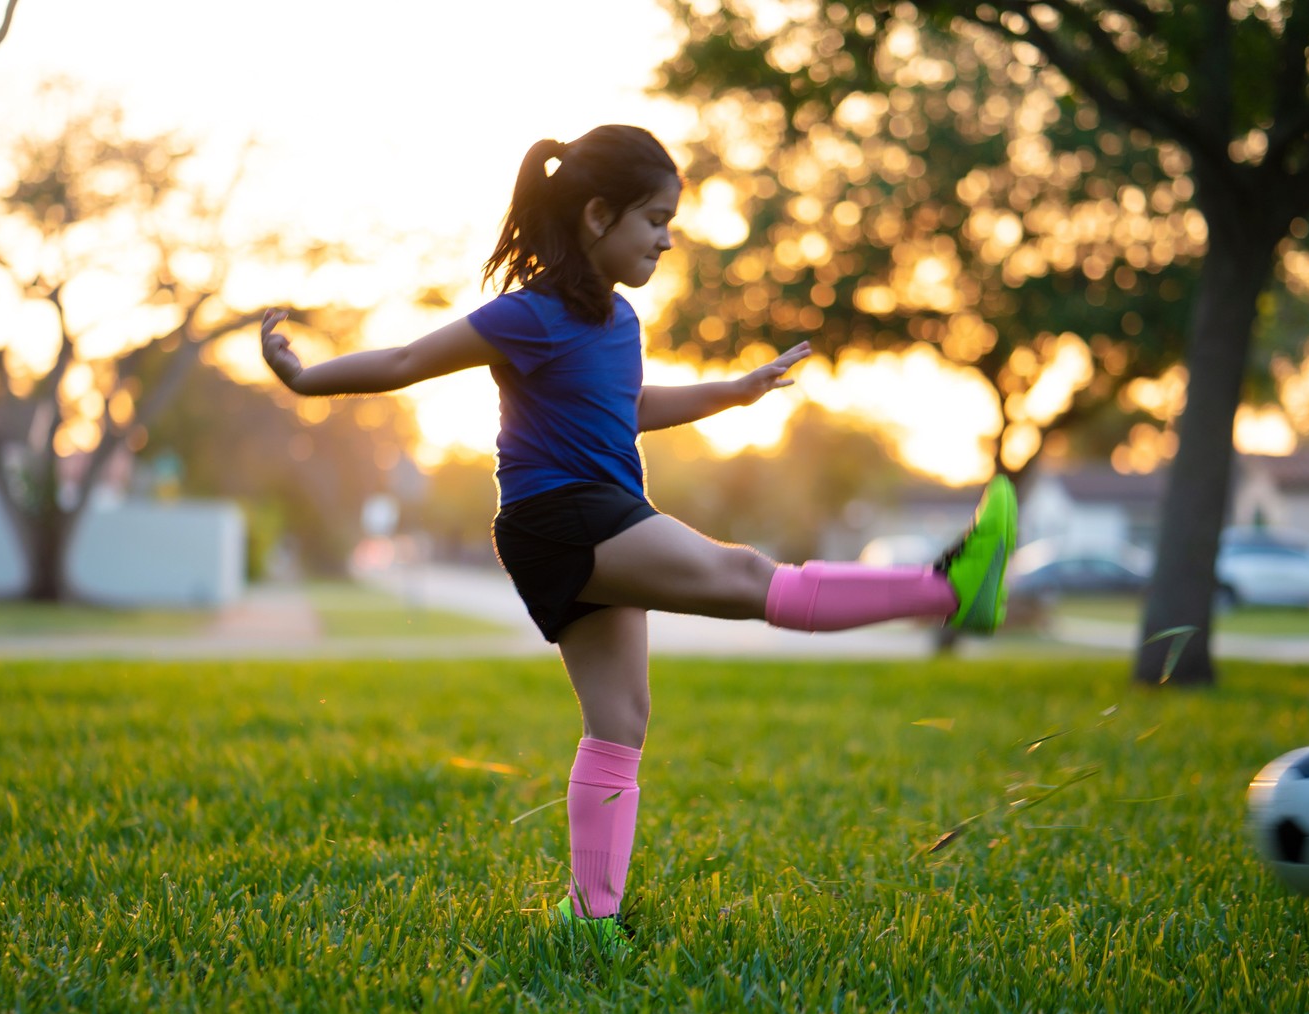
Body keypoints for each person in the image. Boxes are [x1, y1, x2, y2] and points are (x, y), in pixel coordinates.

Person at [261, 124, 1016, 952]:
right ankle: (949, 587)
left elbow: (629, 407)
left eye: (671, 222)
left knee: (620, 719)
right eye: (654, 219)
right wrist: (306, 379)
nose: (665, 238)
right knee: (744, 575)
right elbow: (407, 358)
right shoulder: (528, 315)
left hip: (586, 517)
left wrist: (731, 392)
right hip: (567, 515)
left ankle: (590, 920)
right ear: (596, 216)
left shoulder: (617, 321)